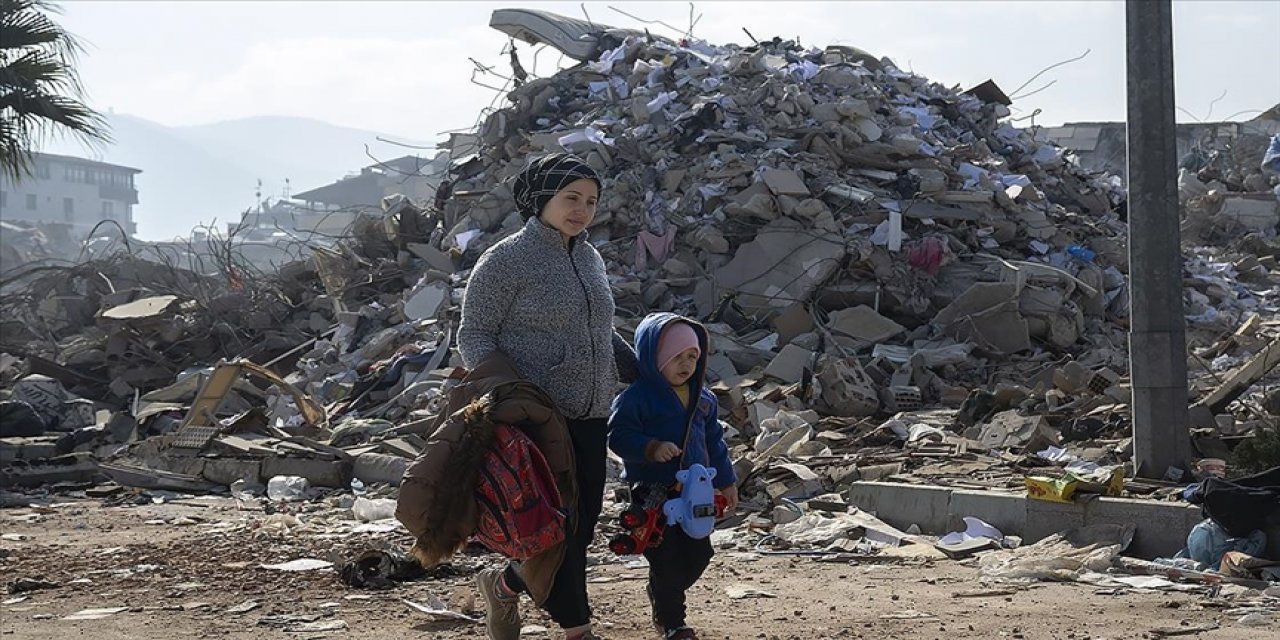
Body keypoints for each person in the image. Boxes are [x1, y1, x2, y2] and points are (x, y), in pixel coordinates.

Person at [458, 153, 637, 640]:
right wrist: (508, 394)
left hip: (592, 414)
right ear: (541, 199)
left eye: (591, 201)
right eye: (570, 198)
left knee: (577, 528)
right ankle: (579, 630)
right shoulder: (505, 260)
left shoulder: (589, 257)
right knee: (560, 530)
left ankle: (504, 584)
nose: (582, 209)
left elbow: (599, 332)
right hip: (536, 419)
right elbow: (475, 335)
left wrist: (640, 372)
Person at [607, 313, 738, 640]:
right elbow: (618, 435)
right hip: (653, 492)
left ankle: (661, 592)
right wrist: (650, 448)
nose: (686, 364)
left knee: (698, 554)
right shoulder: (638, 397)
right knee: (664, 557)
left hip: (696, 492)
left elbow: (714, 443)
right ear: (655, 358)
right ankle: (674, 624)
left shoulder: (704, 399)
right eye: (676, 357)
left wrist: (727, 480)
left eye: (692, 356)